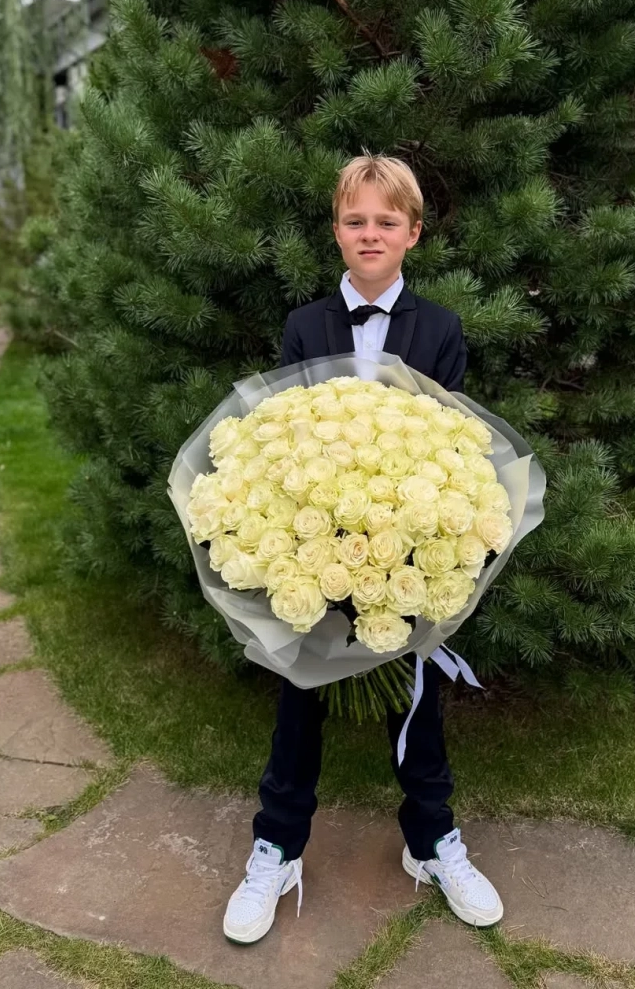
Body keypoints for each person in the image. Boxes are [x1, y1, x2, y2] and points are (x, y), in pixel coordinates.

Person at [223, 154, 503, 945]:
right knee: (298, 701)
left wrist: (411, 544)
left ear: (413, 232)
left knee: (418, 702)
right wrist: (311, 535)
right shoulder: (305, 325)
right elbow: (283, 434)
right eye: (355, 220)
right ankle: (277, 847)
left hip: (407, 547)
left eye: (386, 221)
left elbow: (452, 440)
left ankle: (432, 840)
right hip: (314, 544)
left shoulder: (440, 329)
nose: (370, 233)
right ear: (336, 231)